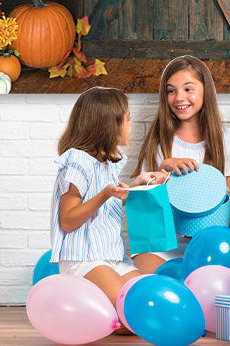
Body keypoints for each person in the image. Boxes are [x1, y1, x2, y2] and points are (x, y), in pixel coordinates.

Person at [50, 86, 168, 325]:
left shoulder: (107, 163)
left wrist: (136, 184)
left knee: (150, 303)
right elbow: (68, 220)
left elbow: (108, 206)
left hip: (113, 257)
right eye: (128, 118)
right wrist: (105, 194)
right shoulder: (78, 162)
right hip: (85, 258)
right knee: (130, 317)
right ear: (108, 124)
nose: (131, 124)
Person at [133, 55, 230, 272]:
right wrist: (161, 174)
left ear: (205, 91)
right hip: (161, 243)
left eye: (188, 89)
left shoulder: (226, 139)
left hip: (209, 241)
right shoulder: (159, 140)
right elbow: (145, 206)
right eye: (171, 90)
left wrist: (202, 232)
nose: (178, 98)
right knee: (149, 282)